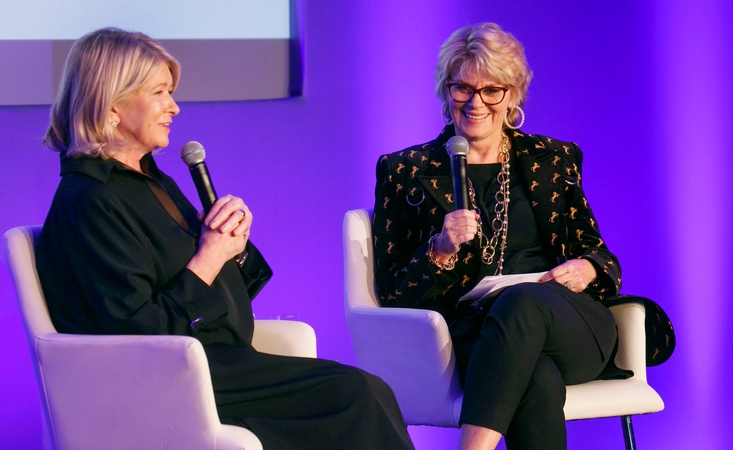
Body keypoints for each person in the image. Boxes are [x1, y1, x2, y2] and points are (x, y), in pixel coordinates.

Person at [36, 27, 414, 450]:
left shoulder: (148, 181)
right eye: (159, 92)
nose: (174, 107)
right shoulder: (89, 201)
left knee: (369, 392)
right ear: (112, 106)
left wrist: (232, 243)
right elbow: (140, 331)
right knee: (357, 396)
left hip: (220, 362)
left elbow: (220, 291)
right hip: (172, 379)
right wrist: (210, 255)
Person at [372, 23, 628, 450]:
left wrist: (585, 269)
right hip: (478, 337)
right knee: (535, 381)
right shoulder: (405, 172)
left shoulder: (553, 159)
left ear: (513, 95)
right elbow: (392, 291)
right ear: (445, 90)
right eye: (462, 89)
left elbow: (602, 257)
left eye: (493, 90)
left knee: (523, 300)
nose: (477, 103)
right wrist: (438, 252)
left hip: (567, 326)